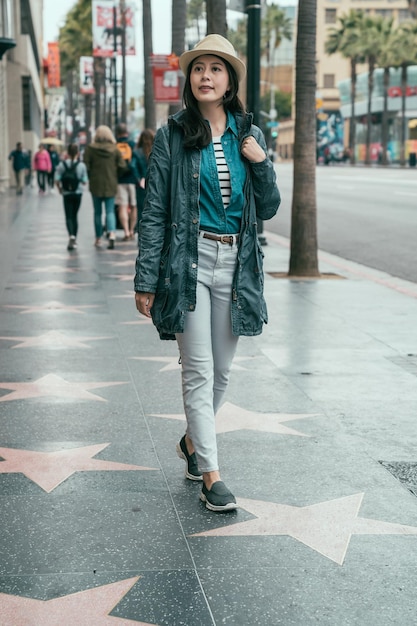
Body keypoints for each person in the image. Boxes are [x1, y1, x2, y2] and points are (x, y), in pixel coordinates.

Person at [134, 35, 281, 512]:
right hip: (187, 263)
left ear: (229, 80)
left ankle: (192, 442)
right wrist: (146, 279)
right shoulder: (172, 135)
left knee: (221, 372)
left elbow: (271, 208)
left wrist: (261, 165)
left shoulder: (250, 134)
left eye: (216, 69)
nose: (205, 76)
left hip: (236, 266)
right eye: (199, 68)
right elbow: (154, 210)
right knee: (197, 371)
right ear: (190, 79)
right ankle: (211, 476)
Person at [84, 125, 127, 249]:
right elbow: (122, 166)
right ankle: (112, 233)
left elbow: (86, 165)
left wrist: (91, 175)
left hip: (95, 183)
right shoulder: (114, 149)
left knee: (97, 212)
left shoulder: (90, 149)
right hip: (111, 183)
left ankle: (98, 238)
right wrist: (115, 175)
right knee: (109, 211)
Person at [55, 143, 88, 250]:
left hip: (66, 194)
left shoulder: (61, 165)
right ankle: (75, 238)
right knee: (75, 215)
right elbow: (84, 181)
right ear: (78, 153)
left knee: (68, 215)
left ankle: (71, 236)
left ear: (67, 153)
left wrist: (60, 189)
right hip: (78, 193)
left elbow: (57, 179)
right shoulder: (81, 165)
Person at [115, 122, 140, 241]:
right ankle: (131, 230)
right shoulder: (133, 145)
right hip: (132, 180)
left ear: (117, 133)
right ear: (127, 132)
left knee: (122, 207)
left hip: (120, 180)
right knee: (134, 205)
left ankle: (125, 231)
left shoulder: (115, 145)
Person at [133, 128, 155, 234]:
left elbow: (132, 166)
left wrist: (139, 178)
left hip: (141, 185)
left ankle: (141, 237)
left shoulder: (137, 152)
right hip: (154, 184)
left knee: (141, 211)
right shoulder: (156, 151)